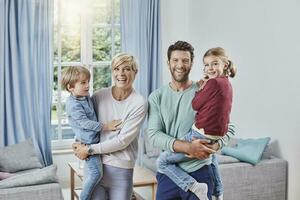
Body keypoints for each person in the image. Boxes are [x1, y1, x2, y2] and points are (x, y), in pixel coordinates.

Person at [148, 41, 235, 200]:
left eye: (185, 60)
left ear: (192, 64)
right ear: (168, 63)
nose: (180, 65)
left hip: (200, 172)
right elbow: (154, 135)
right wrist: (188, 147)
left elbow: (229, 127)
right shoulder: (156, 96)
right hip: (169, 175)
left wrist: (215, 145)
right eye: (175, 60)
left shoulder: (205, 89)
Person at [72, 53, 148, 200]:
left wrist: (88, 149)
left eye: (126, 69)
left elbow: (122, 141)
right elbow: (84, 124)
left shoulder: (139, 102)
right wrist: (77, 144)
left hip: (121, 170)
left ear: (135, 72)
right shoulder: (99, 96)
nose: (121, 74)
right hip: (94, 166)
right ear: (112, 71)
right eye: (116, 69)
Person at [61, 66, 121, 200]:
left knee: (96, 173)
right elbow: (85, 123)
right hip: (88, 143)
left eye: (88, 81)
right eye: (83, 82)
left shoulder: (84, 95)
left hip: (91, 139)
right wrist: (106, 126)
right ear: (70, 87)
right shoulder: (73, 105)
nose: (88, 85)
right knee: (95, 174)